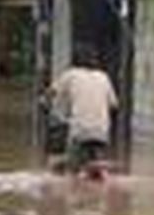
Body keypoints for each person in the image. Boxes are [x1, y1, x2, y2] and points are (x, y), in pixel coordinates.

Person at [50, 44, 119, 178]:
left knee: (71, 173)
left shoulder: (70, 74)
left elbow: (51, 92)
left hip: (79, 131)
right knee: (98, 171)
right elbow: (114, 105)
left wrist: (44, 100)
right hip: (101, 132)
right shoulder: (104, 76)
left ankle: (71, 177)